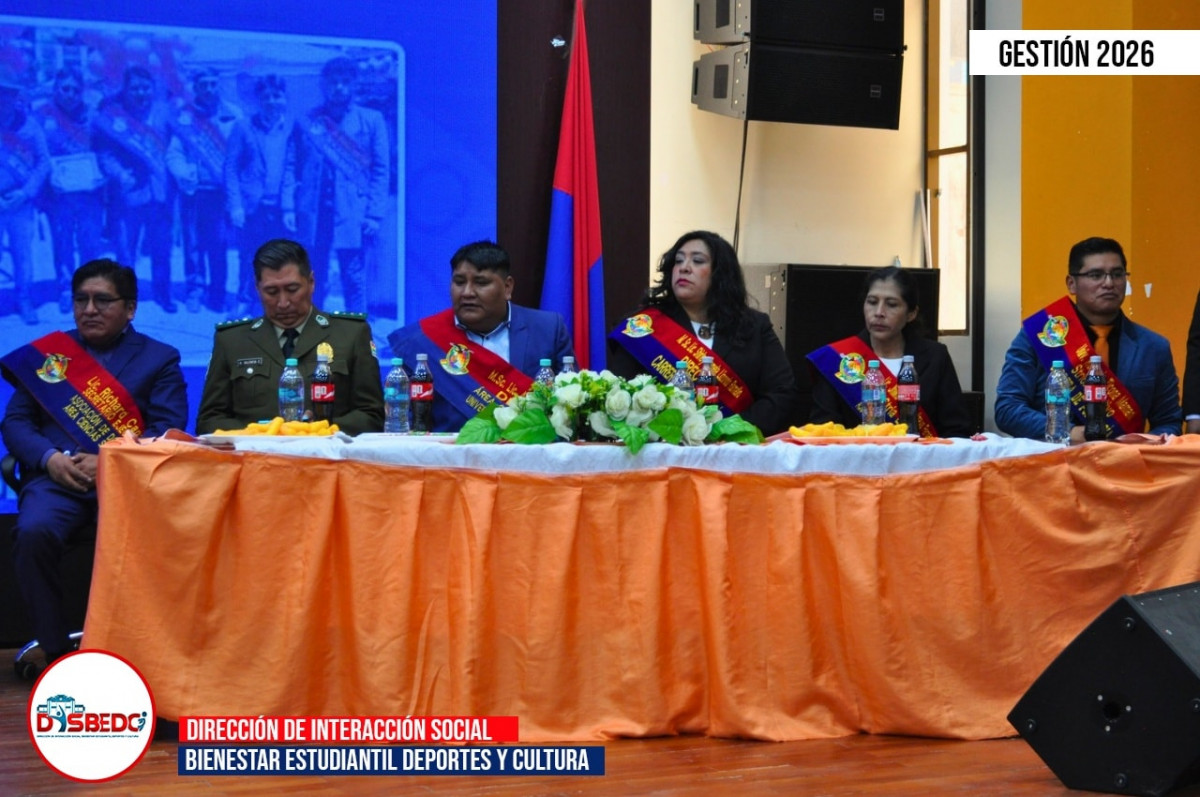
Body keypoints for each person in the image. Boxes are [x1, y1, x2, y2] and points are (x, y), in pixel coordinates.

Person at [0, 258, 188, 665]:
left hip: (126, 485)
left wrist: (108, 459)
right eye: (81, 300)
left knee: (141, 544)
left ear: (130, 308)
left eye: (102, 301)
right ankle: (54, 651)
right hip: (56, 483)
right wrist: (49, 459)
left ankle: (136, 652)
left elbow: (168, 428)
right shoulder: (51, 354)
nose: (89, 310)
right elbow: (15, 422)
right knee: (33, 532)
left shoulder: (159, 359)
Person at [607, 230, 799, 436]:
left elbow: (781, 394)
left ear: (720, 274)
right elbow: (621, 394)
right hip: (664, 450)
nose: (684, 268)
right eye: (678, 261)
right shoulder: (645, 327)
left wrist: (729, 431)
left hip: (737, 450)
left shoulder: (754, 326)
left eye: (697, 261)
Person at [995, 236, 1181, 441]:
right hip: (1053, 462)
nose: (1109, 283)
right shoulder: (1038, 336)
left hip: (1127, 464)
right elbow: (1007, 410)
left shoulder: (1154, 347)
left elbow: (1169, 422)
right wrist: (1069, 432)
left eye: (1117, 274)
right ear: (1072, 284)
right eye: (1096, 275)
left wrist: (1144, 443)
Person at [196, 238, 383, 435]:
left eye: (292, 290)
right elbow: (208, 421)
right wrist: (261, 433)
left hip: (326, 458)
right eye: (271, 292)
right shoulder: (231, 341)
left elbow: (372, 416)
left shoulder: (350, 334)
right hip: (253, 458)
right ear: (256, 289)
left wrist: (321, 430)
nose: (283, 303)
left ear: (311, 283)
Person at [387, 239, 573, 432]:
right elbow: (409, 420)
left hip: (528, 456)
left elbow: (568, 409)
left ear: (507, 287)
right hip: (450, 454)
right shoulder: (423, 340)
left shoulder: (548, 329)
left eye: (481, 283)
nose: (467, 293)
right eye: (459, 282)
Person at [807, 266, 973, 437]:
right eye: (872, 302)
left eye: (891, 304)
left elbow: (957, 430)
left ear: (911, 313)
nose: (879, 313)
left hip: (922, 461)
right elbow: (823, 431)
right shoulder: (840, 359)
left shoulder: (935, 357)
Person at [295, 56, 388, 315]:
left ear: (353, 85)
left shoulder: (371, 120)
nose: (339, 87)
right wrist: (290, 208)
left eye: (345, 82)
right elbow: (294, 166)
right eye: (333, 82)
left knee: (353, 275)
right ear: (324, 85)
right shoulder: (310, 120)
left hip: (352, 212)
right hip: (315, 213)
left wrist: (374, 214)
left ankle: (355, 334)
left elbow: (381, 170)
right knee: (314, 276)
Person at [94, 65, 176, 312]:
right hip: (128, 194)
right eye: (135, 88)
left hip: (160, 193)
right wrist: (119, 174)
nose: (141, 93)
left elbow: (176, 149)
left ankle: (163, 294)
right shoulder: (115, 117)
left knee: (162, 248)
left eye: (145, 88)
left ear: (153, 89)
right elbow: (105, 155)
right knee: (126, 248)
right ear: (126, 90)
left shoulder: (164, 113)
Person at [167, 67, 242, 313]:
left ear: (218, 84)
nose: (209, 89)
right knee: (193, 242)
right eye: (203, 85)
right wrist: (183, 171)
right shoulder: (185, 118)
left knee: (219, 244)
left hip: (221, 192)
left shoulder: (234, 115)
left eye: (213, 84)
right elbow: (174, 153)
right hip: (194, 192)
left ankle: (217, 292)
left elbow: (244, 155)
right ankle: (195, 288)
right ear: (195, 88)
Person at [225, 74, 297, 318]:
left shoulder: (290, 129)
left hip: (278, 208)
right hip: (250, 206)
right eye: (266, 96)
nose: (271, 101)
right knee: (249, 256)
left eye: (276, 96)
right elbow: (231, 169)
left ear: (284, 99)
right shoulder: (243, 127)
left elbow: (290, 168)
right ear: (258, 100)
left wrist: (288, 207)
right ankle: (242, 303)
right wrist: (235, 206)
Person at [36, 68, 105, 315]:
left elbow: (104, 150)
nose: (70, 94)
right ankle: (66, 288)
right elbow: (37, 155)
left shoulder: (92, 117)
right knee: (63, 241)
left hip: (89, 193)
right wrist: (48, 179)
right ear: (56, 89)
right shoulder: (42, 116)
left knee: (90, 242)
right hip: (59, 195)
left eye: (75, 89)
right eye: (65, 89)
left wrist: (101, 175)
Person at [0, 71, 50, 325]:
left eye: (8, 93)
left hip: (21, 201)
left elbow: (43, 162)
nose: (3, 97)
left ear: (15, 96)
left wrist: (26, 192)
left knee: (22, 254)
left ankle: (24, 299)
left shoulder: (29, 125)